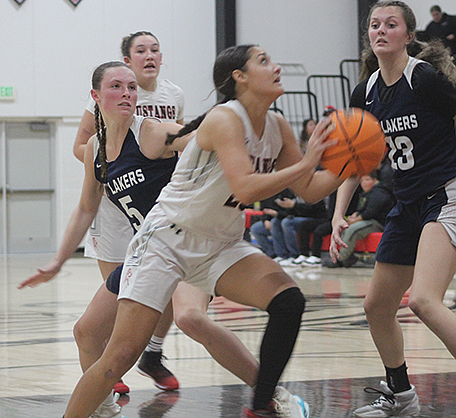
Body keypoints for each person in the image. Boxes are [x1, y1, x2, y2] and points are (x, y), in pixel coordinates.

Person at [61, 44, 344, 418]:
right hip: (165, 240)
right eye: (264, 61)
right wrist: (308, 162)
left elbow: (309, 189)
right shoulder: (225, 119)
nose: (276, 66)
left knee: (288, 300)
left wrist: (351, 164)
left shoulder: (276, 126)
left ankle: (265, 402)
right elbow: (245, 188)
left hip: (220, 243)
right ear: (239, 78)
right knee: (119, 356)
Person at [20, 61, 263, 418]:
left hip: (186, 244)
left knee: (191, 319)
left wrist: (236, 134)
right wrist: (58, 260)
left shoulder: (150, 132)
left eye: (132, 87)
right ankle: (103, 409)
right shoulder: (95, 150)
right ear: (96, 96)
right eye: (116, 86)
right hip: (147, 252)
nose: (127, 94)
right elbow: (86, 208)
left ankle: (270, 393)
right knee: (86, 332)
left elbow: (202, 136)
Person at [330, 0, 456, 418]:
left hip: (445, 193)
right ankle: (401, 395)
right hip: (407, 202)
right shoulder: (363, 91)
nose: (381, 30)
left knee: (423, 300)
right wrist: (337, 214)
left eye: (391, 24)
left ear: (408, 34)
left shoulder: (424, 78)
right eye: (374, 25)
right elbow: (356, 160)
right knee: (376, 306)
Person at [73, 31, 184, 394]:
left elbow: (186, 144)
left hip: (159, 212)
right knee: (121, 297)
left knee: (165, 291)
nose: (149, 55)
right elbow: (83, 147)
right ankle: (112, 362)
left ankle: (150, 353)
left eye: (155, 49)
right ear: (127, 58)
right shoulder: (109, 92)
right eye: (141, 50)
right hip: (115, 202)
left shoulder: (171, 96)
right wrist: (110, 167)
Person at [336, 171, 394, 268]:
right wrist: (355, 215)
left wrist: (355, 220)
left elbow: (370, 213)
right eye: (362, 180)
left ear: (374, 180)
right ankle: (348, 257)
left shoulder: (379, 193)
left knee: (352, 229)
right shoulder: (366, 193)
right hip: (369, 221)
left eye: (367, 180)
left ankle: (341, 258)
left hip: (379, 223)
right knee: (347, 227)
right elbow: (363, 209)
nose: (363, 183)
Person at [249, 188, 295, 259]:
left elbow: (291, 211)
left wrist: (277, 214)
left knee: (276, 223)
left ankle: (282, 254)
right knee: (255, 229)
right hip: (271, 218)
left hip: (283, 218)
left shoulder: (286, 191)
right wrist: (265, 220)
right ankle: (271, 254)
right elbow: (263, 209)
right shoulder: (265, 192)